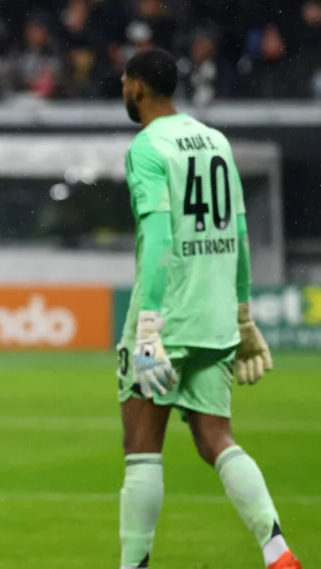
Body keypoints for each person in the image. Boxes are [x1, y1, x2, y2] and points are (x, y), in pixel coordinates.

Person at [114, 48, 297, 569]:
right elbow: (238, 232)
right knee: (217, 438)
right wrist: (243, 315)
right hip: (215, 318)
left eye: (125, 83)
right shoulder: (216, 141)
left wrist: (148, 323)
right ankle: (277, 551)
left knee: (142, 446)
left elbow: (158, 237)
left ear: (137, 88)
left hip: (166, 318)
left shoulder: (147, 147)